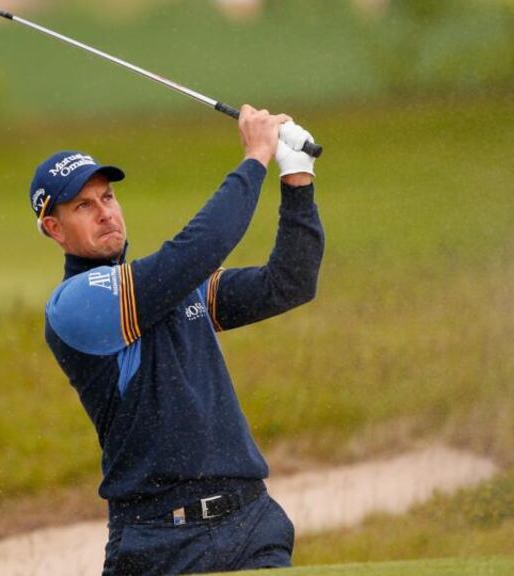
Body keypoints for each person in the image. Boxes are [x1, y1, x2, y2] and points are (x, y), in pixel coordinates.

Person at [30, 105, 324, 575]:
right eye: (84, 206)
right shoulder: (75, 305)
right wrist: (254, 159)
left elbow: (289, 283)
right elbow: (196, 252)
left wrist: (297, 180)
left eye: (108, 198)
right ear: (54, 228)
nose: (105, 213)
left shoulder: (168, 287)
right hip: (159, 545)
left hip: (250, 524)